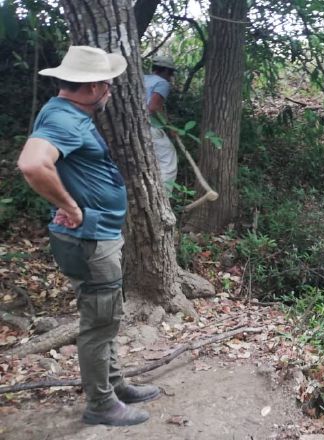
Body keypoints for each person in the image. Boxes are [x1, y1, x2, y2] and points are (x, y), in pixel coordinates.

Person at [17, 45, 159, 426]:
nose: (112, 87)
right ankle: (101, 404)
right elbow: (32, 164)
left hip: (95, 236)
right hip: (91, 239)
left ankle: (115, 385)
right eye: (108, 82)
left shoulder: (68, 112)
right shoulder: (64, 119)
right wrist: (72, 206)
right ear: (94, 86)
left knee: (105, 316)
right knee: (99, 322)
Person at [144, 55, 178, 191]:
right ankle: (164, 196)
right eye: (170, 73)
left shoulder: (141, 78)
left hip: (132, 127)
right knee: (168, 159)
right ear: (165, 71)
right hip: (148, 126)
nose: (170, 77)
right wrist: (169, 127)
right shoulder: (162, 83)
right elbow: (153, 107)